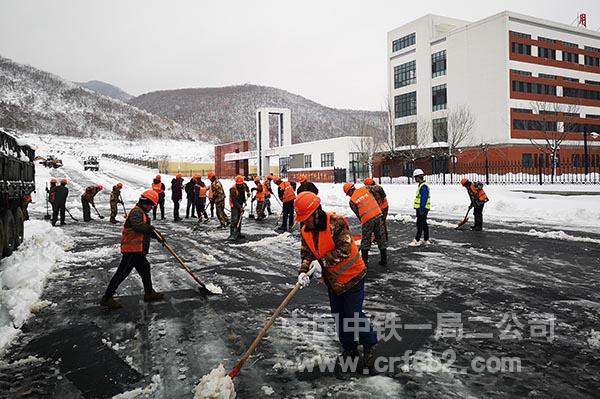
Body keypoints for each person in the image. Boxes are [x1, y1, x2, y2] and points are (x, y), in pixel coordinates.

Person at [294, 191, 378, 370]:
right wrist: (303, 270)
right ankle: (350, 349)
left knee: (353, 315)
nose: (304, 222)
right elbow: (306, 253)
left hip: (353, 277)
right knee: (340, 317)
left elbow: (346, 248)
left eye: (306, 217)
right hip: (333, 282)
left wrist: (322, 263)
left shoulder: (335, 223)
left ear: (316, 212)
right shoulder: (305, 230)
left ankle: (370, 345)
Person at [100, 190, 165, 309]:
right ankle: (107, 298)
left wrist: (158, 237)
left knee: (145, 268)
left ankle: (149, 292)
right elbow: (138, 227)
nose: (151, 208)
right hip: (131, 250)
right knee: (122, 273)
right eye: (151, 205)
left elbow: (146, 229)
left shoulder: (142, 212)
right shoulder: (136, 212)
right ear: (146, 202)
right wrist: (151, 229)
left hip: (137, 250)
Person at [343, 182, 387, 266]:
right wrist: (382, 197)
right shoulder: (366, 189)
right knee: (381, 237)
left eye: (348, 194)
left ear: (349, 192)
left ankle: (365, 263)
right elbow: (379, 188)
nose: (349, 196)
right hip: (378, 215)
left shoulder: (352, 201)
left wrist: (364, 222)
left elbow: (358, 214)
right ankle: (384, 260)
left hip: (367, 220)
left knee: (365, 241)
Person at [410, 169, 431, 246]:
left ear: (418, 177)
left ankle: (417, 239)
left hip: (422, 208)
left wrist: (421, 209)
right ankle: (426, 239)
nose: (415, 179)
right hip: (422, 208)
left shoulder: (423, 186)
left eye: (415, 177)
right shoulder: (422, 185)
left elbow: (424, 198)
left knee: (420, 224)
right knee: (424, 223)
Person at [228, 175, 247, 240]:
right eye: (238, 184)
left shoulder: (243, 186)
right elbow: (234, 200)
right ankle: (232, 234)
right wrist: (239, 207)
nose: (239, 185)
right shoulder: (232, 189)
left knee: (240, 218)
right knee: (234, 219)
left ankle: (238, 233)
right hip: (234, 205)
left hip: (240, 204)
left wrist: (244, 201)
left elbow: (242, 195)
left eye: (240, 184)